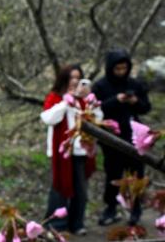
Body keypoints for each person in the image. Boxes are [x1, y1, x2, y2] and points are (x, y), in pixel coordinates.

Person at [41, 64, 100, 236]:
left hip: (81, 151)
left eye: (78, 77)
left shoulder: (85, 99)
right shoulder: (55, 97)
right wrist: (65, 103)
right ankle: (56, 224)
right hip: (62, 152)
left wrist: (91, 102)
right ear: (64, 79)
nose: (74, 81)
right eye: (71, 77)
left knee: (80, 188)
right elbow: (48, 118)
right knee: (60, 186)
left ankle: (77, 222)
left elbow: (98, 120)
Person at [93, 49, 151, 226]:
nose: (121, 72)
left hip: (134, 135)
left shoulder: (134, 84)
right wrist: (115, 100)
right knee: (113, 173)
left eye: (124, 68)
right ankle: (111, 207)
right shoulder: (101, 86)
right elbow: (96, 108)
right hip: (111, 137)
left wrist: (135, 102)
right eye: (117, 68)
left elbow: (146, 107)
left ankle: (135, 208)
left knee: (136, 173)